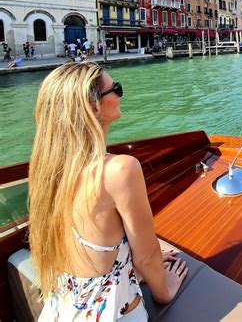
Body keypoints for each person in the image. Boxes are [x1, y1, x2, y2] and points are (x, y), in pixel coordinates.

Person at [28, 63, 188, 320]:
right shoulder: (119, 170)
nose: (120, 94)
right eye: (116, 89)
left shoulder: (45, 170)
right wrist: (164, 290)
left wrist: (130, 268)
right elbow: (147, 257)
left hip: (60, 309)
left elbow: (93, 246)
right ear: (94, 106)